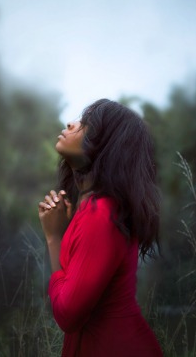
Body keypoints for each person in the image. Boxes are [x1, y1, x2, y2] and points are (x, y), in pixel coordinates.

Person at [38, 99, 163, 356]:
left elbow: (68, 315)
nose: (71, 123)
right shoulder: (96, 209)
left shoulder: (102, 215)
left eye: (85, 125)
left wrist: (53, 237)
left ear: (106, 146)